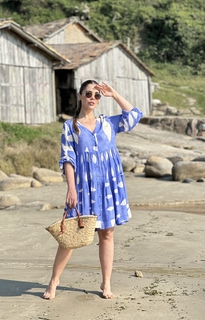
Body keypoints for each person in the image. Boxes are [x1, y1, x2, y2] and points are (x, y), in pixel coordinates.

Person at [43, 80, 143, 300]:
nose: (92, 98)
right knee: (70, 235)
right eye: (88, 94)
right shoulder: (70, 126)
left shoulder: (108, 123)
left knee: (107, 233)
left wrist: (114, 94)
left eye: (97, 95)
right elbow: (68, 159)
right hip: (83, 187)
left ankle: (106, 284)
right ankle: (54, 281)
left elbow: (134, 115)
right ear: (80, 96)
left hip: (108, 185)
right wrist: (71, 189)